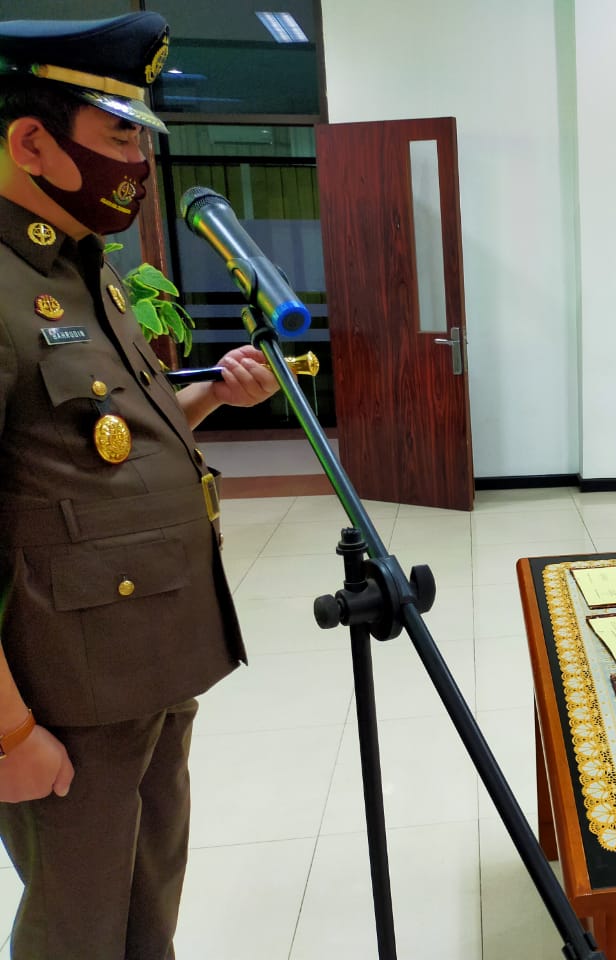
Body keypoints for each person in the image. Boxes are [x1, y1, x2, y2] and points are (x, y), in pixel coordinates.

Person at [0, 13, 280, 958]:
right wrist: (7, 735)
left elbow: (102, 442)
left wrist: (208, 398)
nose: (141, 160)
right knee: (77, 926)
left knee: (147, 902)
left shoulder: (88, 271)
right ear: (32, 140)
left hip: (152, 659)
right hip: (65, 694)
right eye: (120, 133)